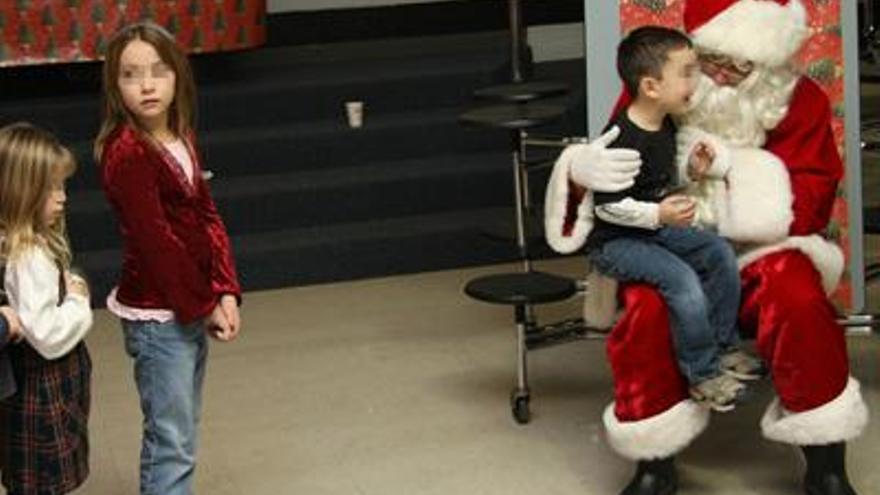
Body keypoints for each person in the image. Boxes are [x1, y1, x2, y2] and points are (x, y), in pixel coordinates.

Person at [544, 1, 868, 494]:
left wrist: (730, 173)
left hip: (763, 248)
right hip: (664, 241)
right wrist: (582, 169)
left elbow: (814, 196)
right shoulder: (664, 90)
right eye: (710, 59)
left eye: (738, 65)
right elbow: (613, 160)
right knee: (649, 308)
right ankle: (654, 459)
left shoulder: (800, 101)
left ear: (767, 63)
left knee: (799, 301)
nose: (720, 75)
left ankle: (825, 461)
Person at [94, 22, 242, 495]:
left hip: (191, 304)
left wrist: (225, 289)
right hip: (159, 317)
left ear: (178, 76)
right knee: (171, 440)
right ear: (116, 87)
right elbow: (157, 244)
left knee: (180, 430)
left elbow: (206, 214)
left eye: (158, 71)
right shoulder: (127, 153)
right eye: (131, 75)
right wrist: (205, 304)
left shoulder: (180, 135)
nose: (147, 84)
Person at [586, 26, 763, 413]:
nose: (695, 80)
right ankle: (702, 374)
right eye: (686, 72)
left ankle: (723, 346)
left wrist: (691, 174)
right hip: (617, 241)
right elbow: (606, 207)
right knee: (680, 279)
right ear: (651, 86)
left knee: (717, 251)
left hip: (653, 228)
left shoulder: (665, 123)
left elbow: (654, 183)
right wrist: (659, 213)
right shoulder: (620, 139)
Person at [0, 122, 94, 495]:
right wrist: (77, 301)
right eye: (51, 188)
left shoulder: (12, 242)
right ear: (19, 191)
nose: (62, 198)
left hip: (28, 386)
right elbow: (47, 336)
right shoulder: (29, 256)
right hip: (43, 387)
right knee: (43, 483)